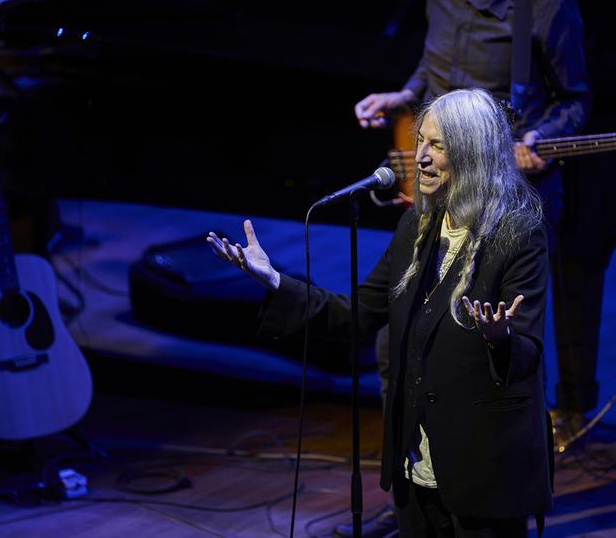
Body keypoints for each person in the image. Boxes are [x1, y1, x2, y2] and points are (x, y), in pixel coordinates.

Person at [208, 89, 553, 538]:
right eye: (422, 141)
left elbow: (527, 354)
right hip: (413, 466)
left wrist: (499, 337)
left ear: (473, 155)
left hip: (481, 468)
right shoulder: (416, 225)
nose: (421, 158)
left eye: (439, 146)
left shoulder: (519, 235)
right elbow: (355, 315)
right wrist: (274, 280)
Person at [353, 0, 594, 481]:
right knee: (397, 342)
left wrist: (543, 139)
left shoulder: (545, 1)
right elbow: (433, 65)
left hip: (509, 200)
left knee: (488, 352)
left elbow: (576, 99)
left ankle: (496, 493)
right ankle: (413, 483)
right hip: (437, 192)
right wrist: (401, 95)